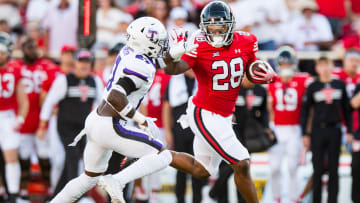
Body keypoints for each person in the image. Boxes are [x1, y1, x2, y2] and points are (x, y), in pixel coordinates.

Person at [162, 1, 276, 203]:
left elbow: (250, 70)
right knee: (242, 163)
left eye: (220, 27)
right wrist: (172, 54)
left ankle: (155, 153)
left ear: (230, 25)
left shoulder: (247, 40)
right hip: (203, 112)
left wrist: (263, 73)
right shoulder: (199, 45)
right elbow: (172, 69)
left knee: (202, 170)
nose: (215, 32)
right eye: (211, 28)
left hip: (224, 115)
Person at [37, 49, 104, 196]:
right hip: (66, 127)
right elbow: (49, 102)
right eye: (81, 62)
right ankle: (75, 196)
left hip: (84, 129)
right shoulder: (64, 80)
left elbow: (102, 105)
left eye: (87, 62)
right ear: (75, 63)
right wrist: (42, 126)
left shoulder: (95, 81)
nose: (84, 65)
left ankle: (57, 195)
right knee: (72, 158)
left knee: (76, 159)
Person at [210, 77, 271, 203]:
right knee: (228, 166)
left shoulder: (260, 90)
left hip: (249, 135)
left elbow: (264, 112)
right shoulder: (233, 89)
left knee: (243, 169)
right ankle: (218, 195)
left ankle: (239, 199)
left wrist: (265, 127)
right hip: (231, 133)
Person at [301, 57, 353, 203]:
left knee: (333, 169)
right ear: (317, 68)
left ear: (332, 67)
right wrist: (305, 133)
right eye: (321, 65)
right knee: (317, 169)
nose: (324, 68)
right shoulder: (313, 86)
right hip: (318, 131)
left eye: (327, 65)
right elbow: (305, 111)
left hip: (335, 130)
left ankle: (332, 200)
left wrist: (349, 130)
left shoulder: (339, 85)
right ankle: (316, 200)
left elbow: (347, 110)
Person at [267, 46, 312, 202]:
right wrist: (269, 127)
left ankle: (294, 198)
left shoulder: (303, 79)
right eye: (283, 64)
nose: (285, 66)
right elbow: (269, 107)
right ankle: (276, 198)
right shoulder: (271, 80)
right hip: (277, 128)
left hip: (295, 129)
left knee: (293, 167)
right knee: (274, 168)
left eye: (288, 63)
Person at [15, 38, 57, 200]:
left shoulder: (47, 66)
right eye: (28, 48)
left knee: (44, 156)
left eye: (34, 47)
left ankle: (50, 187)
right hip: (24, 118)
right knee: (23, 157)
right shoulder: (17, 67)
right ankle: (23, 190)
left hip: (42, 119)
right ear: (22, 50)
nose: (32, 51)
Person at [163, 70, 207, 203]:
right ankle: (180, 199)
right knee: (181, 168)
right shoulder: (175, 80)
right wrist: (167, 130)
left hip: (199, 130)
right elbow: (167, 106)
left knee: (199, 166)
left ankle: (197, 200)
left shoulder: (203, 78)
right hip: (180, 129)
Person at [0, 33, 28, 203]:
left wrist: (20, 119)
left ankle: (13, 195)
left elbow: (23, 100)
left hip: (8, 117)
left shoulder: (15, 70)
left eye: (2, 52)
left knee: (11, 157)